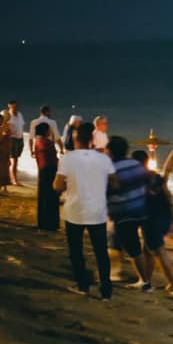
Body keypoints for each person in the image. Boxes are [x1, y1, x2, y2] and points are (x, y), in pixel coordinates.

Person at [54, 122, 118, 300]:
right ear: (91, 139)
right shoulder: (104, 159)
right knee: (100, 252)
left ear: (75, 139)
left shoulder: (67, 158)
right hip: (97, 211)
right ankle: (106, 290)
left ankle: (83, 285)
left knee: (76, 251)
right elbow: (115, 183)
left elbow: (57, 186)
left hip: (74, 211)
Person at [106, 136, 153, 290]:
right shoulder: (136, 164)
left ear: (110, 151)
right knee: (120, 241)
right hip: (141, 208)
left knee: (132, 247)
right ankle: (118, 272)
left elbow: (108, 190)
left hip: (124, 212)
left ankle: (144, 281)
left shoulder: (111, 169)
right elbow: (148, 182)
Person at [133, 150, 173, 295]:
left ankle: (172, 283)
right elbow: (168, 195)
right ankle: (147, 280)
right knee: (148, 250)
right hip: (164, 216)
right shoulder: (156, 176)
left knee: (158, 251)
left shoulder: (137, 179)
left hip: (150, 219)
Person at [34, 122, 60, 230]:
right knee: (50, 197)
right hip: (49, 170)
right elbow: (52, 157)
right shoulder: (45, 142)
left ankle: (44, 222)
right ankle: (50, 223)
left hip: (44, 170)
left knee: (44, 197)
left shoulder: (39, 141)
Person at [4, 100, 26, 186]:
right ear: (9, 106)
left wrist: (22, 138)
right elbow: (4, 128)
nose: (15, 108)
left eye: (16, 106)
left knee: (16, 159)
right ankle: (14, 179)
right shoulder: (8, 116)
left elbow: (21, 126)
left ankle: (12, 178)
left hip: (20, 139)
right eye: (13, 107)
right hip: (12, 139)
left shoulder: (20, 114)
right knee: (13, 160)